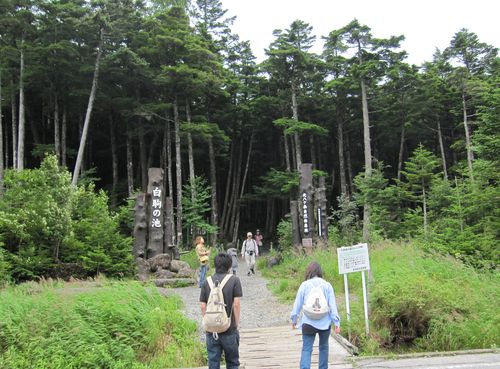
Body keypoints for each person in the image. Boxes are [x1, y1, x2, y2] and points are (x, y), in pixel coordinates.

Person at [290, 261, 340, 369]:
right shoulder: (327, 285)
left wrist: (294, 320)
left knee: (307, 349)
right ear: (320, 272)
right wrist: (336, 322)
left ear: (309, 272)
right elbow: (332, 306)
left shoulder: (304, 285)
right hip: (325, 322)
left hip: (308, 322)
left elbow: (297, 305)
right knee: (324, 348)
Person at [200, 253, 243, 369]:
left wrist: (208, 321)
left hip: (211, 330)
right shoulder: (234, 280)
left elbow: (203, 306)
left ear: (215, 265)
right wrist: (236, 324)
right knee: (233, 362)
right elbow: (237, 304)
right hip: (229, 328)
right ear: (229, 266)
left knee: (213, 363)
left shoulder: (206, 282)